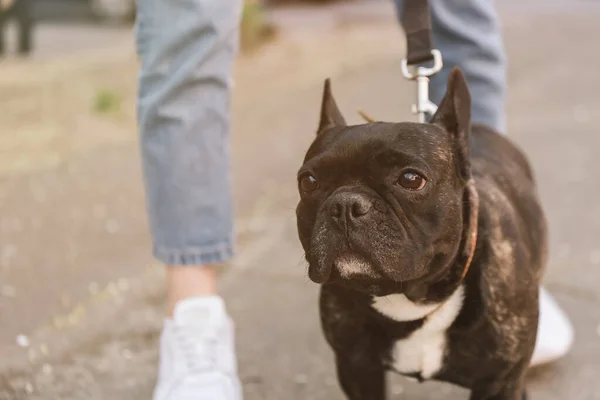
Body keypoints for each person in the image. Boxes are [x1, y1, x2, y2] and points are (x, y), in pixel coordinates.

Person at [135, 0, 574, 399]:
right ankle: (193, 314)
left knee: (457, 15)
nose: (347, 209)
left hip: (486, 262)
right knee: (186, 32)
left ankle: (519, 285)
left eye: (409, 179)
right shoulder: (341, 299)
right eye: (314, 183)